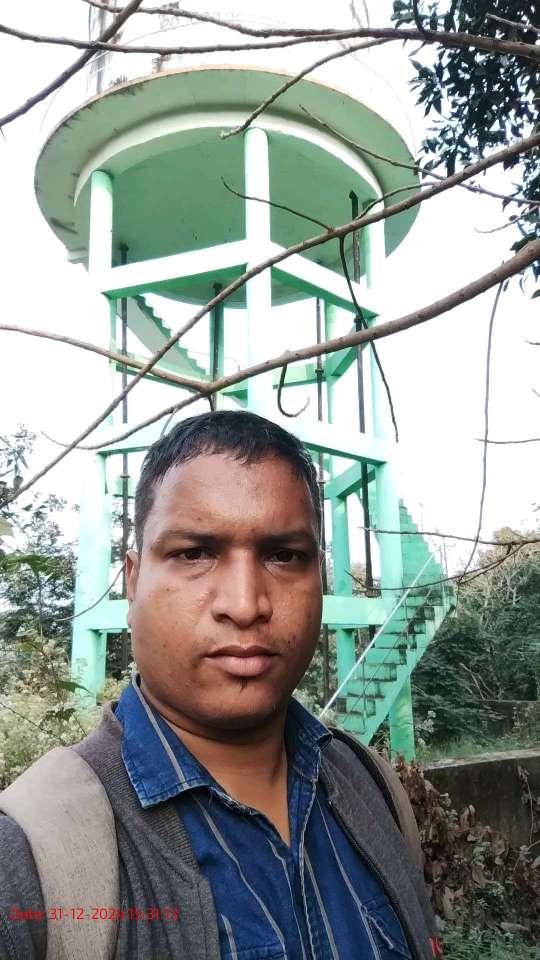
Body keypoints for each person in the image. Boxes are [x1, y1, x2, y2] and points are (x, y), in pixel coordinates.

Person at [0, 410, 441, 959]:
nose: (245, 604)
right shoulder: (28, 860)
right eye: (195, 553)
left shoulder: (372, 788)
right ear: (133, 581)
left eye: (284, 556)